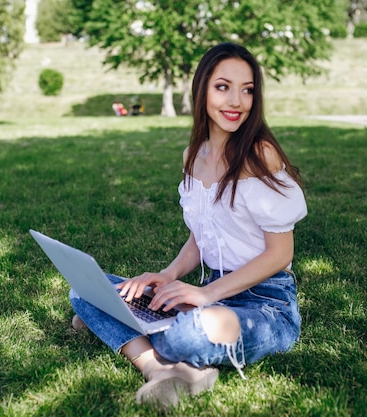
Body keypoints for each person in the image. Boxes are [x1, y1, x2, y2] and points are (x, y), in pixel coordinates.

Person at [69, 42, 307, 408]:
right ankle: (159, 369)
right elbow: (201, 236)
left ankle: (127, 331)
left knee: (184, 336)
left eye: (247, 90)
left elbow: (281, 253)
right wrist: (166, 275)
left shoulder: (259, 154)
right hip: (210, 295)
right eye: (223, 87)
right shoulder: (193, 156)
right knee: (86, 291)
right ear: (202, 90)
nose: (237, 102)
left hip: (266, 305)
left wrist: (206, 295)